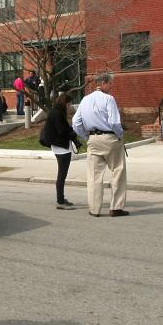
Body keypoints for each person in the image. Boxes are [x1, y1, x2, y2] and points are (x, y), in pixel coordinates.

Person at [72, 72, 128, 217]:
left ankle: (94, 209)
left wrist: (86, 136)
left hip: (93, 139)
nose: (111, 86)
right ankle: (116, 207)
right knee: (118, 171)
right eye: (110, 83)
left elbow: (76, 122)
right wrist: (120, 136)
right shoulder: (109, 99)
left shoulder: (85, 99)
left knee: (94, 175)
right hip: (109, 138)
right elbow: (115, 122)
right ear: (103, 82)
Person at [41, 92, 77, 209]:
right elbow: (62, 131)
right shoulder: (57, 114)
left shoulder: (54, 112)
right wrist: (72, 132)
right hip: (61, 147)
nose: (69, 106)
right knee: (62, 174)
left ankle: (60, 198)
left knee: (62, 174)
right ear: (65, 103)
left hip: (58, 146)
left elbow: (61, 129)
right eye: (68, 103)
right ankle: (60, 201)